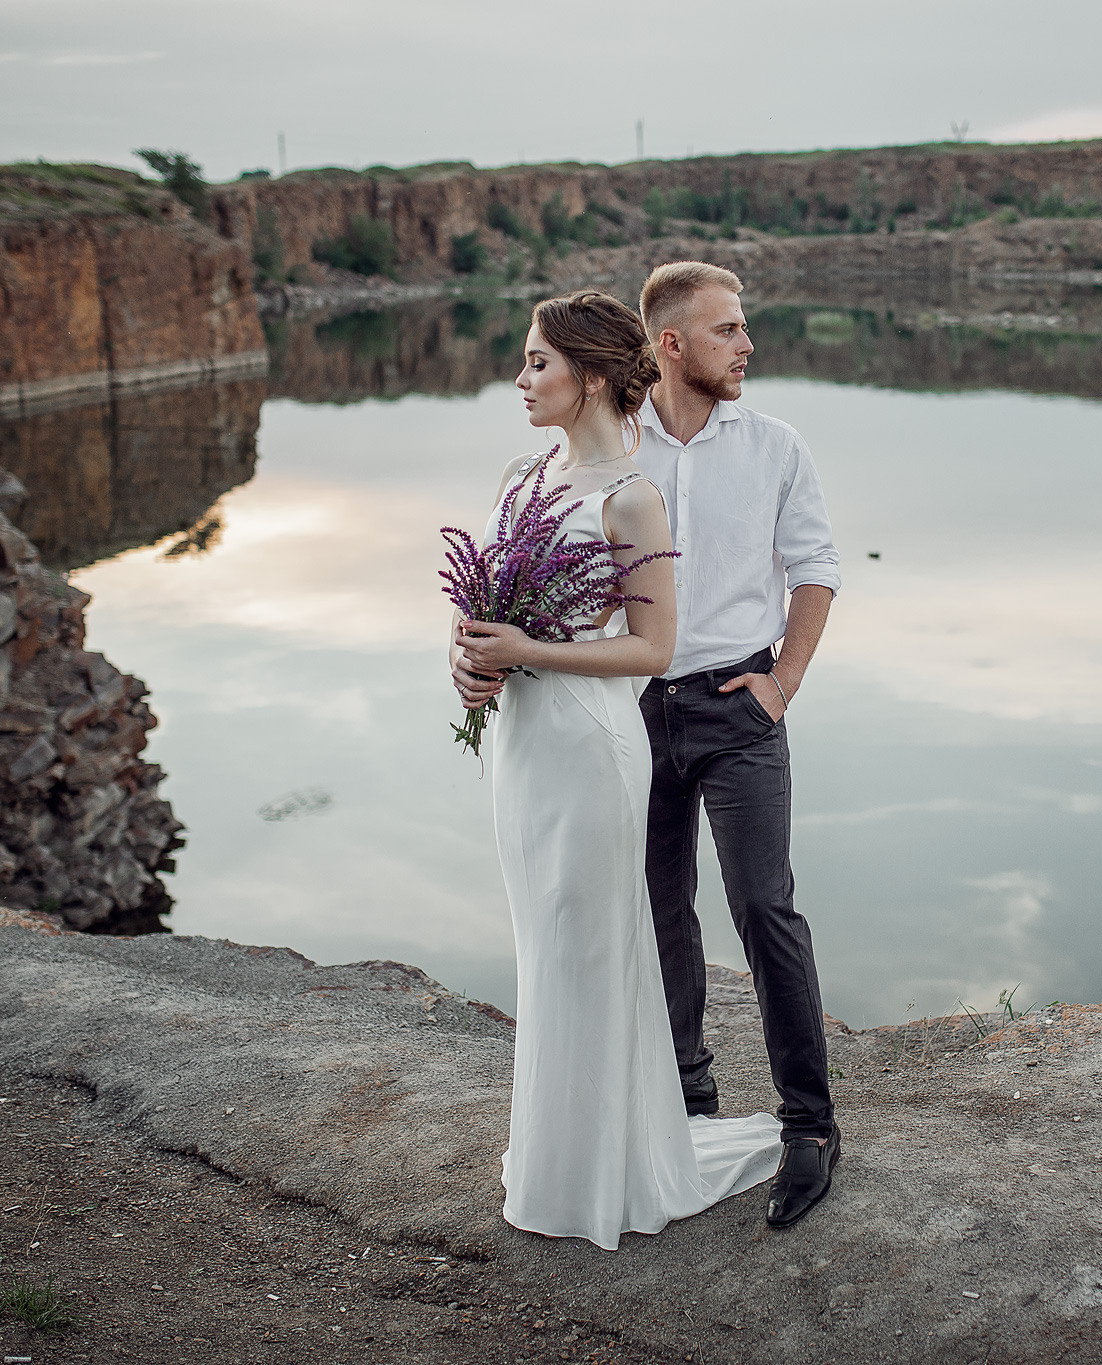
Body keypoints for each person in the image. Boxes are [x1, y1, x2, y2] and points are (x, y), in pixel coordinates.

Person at [451, 290, 781, 1250]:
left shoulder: (633, 496)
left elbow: (652, 647)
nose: (520, 381)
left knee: (588, 938)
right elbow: (478, 601)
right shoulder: (521, 477)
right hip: (524, 746)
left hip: (593, 747)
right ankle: (559, 1155)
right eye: (522, 363)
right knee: (543, 939)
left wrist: (529, 650)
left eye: (536, 365)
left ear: (590, 374)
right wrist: (469, 660)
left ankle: (605, 1170)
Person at [632, 262, 843, 1230]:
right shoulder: (613, 446)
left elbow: (814, 570)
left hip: (737, 708)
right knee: (657, 913)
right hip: (633, 710)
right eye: (727, 331)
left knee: (764, 910)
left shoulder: (775, 446)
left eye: (744, 327)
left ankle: (809, 1126)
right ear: (670, 345)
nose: (747, 345)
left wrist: (780, 685)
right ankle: (688, 1103)